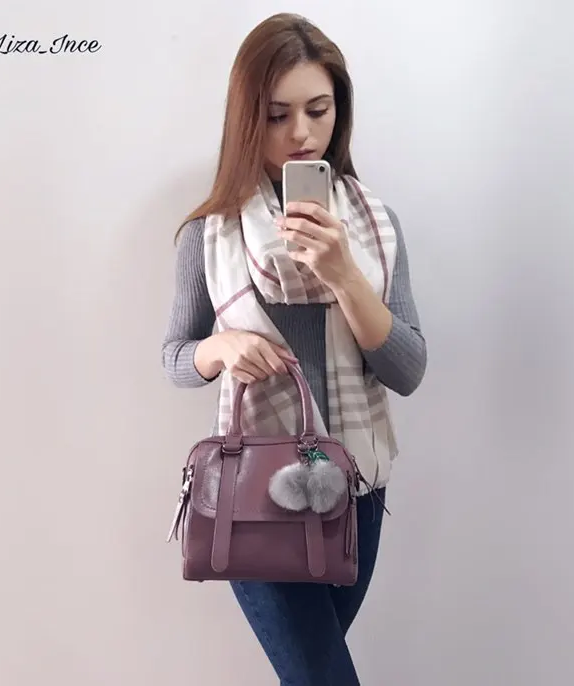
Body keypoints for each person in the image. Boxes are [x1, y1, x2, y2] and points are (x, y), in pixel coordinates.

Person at [161, 13, 427, 685]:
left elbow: (407, 369)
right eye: (278, 115)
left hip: (356, 489)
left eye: (318, 109)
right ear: (248, 119)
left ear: (341, 109)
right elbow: (175, 357)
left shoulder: (375, 229)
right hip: (252, 491)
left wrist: (344, 275)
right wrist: (220, 347)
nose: (302, 133)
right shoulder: (208, 235)